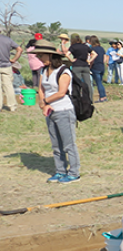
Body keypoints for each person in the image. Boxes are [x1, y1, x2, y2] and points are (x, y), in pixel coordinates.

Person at [32, 40, 81, 183]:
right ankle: (60, 171)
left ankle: (74, 173)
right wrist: (43, 104)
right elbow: (41, 89)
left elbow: (61, 92)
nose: (38, 58)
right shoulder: (43, 70)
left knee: (68, 144)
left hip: (64, 111)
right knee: (56, 145)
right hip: (50, 112)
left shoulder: (63, 71)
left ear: (50, 55)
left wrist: (46, 102)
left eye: (40, 55)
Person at [68, 33, 95, 101]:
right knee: (88, 83)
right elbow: (94, 54)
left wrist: (71, 60)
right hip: (85, 66)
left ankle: (77, 98)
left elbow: (67, 54)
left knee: (77, 83)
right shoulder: (85, 46)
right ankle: (90, 99)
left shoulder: (73, 46)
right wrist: (89, 61)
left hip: (77, 66)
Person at [0, 33, 23, 111]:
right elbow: (20, 50)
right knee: (8, 86)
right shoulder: (7, 39)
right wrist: (13, 60)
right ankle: (12, 106)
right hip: (6, 66)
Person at [89, 35, 107, 102]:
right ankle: (104, 96)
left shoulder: (92, 49)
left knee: (98, 83)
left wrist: (90, 66)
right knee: (100, 83)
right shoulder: (101, 48)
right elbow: (105, 58)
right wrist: (102, 63)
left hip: (95, 67)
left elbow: (92, 59)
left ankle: (102, 97)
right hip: (101, 67)